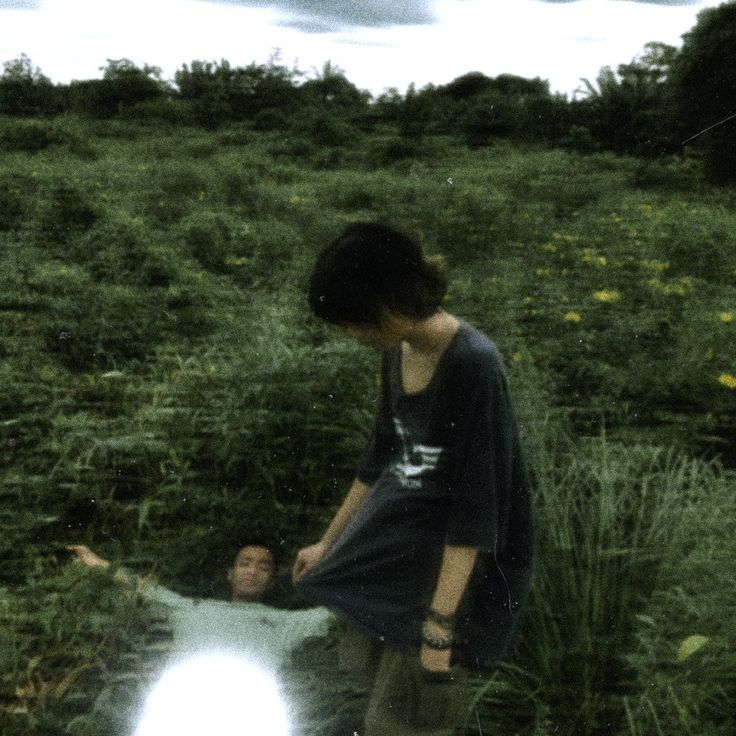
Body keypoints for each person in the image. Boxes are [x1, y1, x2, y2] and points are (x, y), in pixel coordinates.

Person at [292, 222, 534, 736]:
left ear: (391, 300)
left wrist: (441, 626)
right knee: (361, 684)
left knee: (403, 720)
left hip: (443, 576)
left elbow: (478, 506)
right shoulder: (397, 351)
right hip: (390, 553)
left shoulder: (473, 363)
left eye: (356, 321)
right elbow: (379, 458)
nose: (353, 335)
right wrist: (328, 543)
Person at [68, 543, 333, 672]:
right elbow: (146, 590)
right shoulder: (192, 608)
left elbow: (336, 615)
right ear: (230, 573)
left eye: (263, 567)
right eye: (245, 563)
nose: (252, 571)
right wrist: (96, 562)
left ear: (272, 581)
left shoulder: (285, 622)